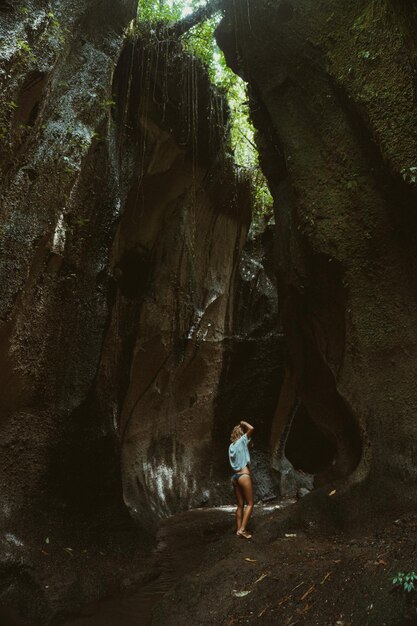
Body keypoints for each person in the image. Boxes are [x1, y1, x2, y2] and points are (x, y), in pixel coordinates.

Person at [229, 420, 254, 539]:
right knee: (250, 503)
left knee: (240, 505)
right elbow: (252, 428)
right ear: (241, 434)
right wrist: (243, 423)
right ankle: (243, 530)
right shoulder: (242, 441)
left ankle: (238, 529)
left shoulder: (231, 446)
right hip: (244, 476)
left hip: (234, 477)